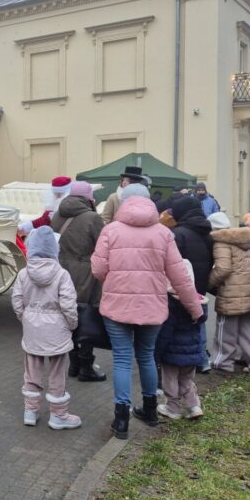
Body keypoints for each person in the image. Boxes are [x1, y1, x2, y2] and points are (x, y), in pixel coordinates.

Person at [91, 183, 202, 439]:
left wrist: (113, 279)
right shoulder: (163, 233)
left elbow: (97, 269)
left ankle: (121, 420)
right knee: (147, 356)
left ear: (125, 202)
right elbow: (180, 276)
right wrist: (194, 309)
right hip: (153, 307)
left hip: (117, 307)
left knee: (121, 358)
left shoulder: (111, 230)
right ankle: (150, 410)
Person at [13, 226, 82, 429]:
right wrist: (72, 325)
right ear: (55, 249)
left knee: (32, 371)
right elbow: (69, 305)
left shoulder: (23, 273)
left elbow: (17, 301)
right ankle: (58, 415)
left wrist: (25, 318)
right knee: (57, 373)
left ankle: (30, 411)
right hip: (57, 331)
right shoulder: (62, 274)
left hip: (32, 330)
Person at [50, 181, 107, 382]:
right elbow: (103, 245)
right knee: (86, 317)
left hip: (61, 271)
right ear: (88, 198)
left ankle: (73, 363)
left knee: (68, 317)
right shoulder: (92, 218)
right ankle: (86, 366)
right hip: (85, 273)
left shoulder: (58, 214)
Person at [207, 212, 250, 375]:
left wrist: (208, 283)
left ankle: (221, 362)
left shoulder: (221, 242)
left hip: (232, 292)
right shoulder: (242, 239)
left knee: (225, 330)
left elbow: (223, 268)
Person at [155, 258, 208, 419]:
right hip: (192, 351)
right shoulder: (198, 302)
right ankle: (194, 406)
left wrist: (156, 354)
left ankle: (173, 407)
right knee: (187, 380)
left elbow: (165, 333)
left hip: (172, 352)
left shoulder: (170, 304)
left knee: (170, 379)